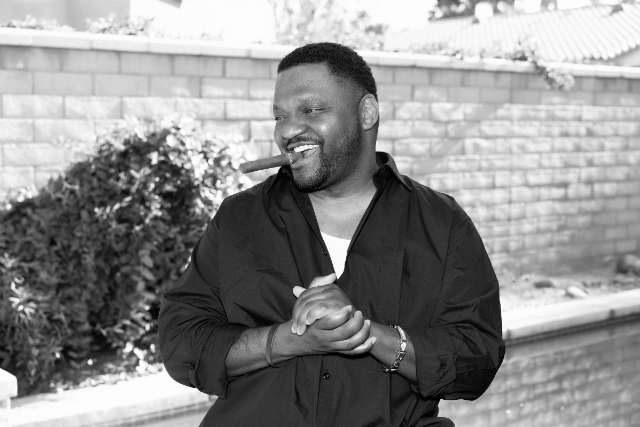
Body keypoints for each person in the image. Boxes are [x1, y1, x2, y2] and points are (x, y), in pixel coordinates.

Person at [159, 42, 505, 427]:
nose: (288, 130)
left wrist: (366, 334)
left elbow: (478, 360)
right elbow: (180, 342)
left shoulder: (441, 223)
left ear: (367, 113)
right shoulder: (239, 218)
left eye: (311, 110)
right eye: (279, 116)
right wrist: (286, 340)